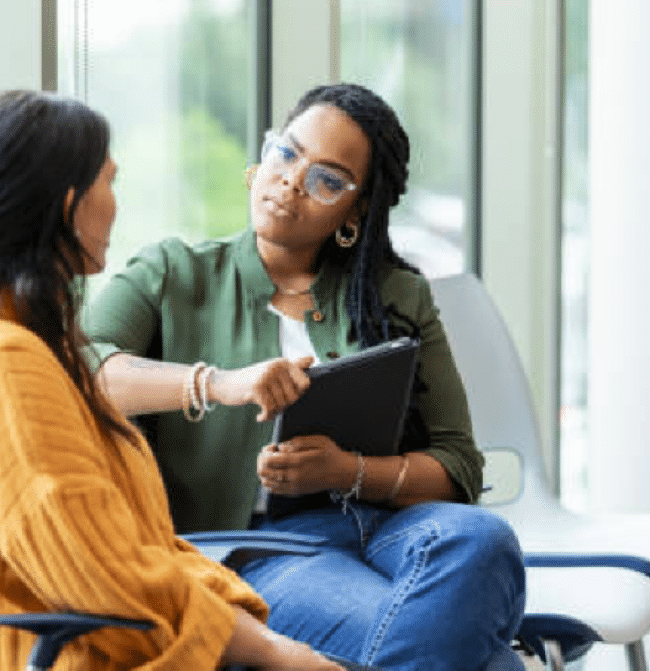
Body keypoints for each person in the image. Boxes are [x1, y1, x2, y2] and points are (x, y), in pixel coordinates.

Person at [0, 89, 350, 671]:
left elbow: (120, 555)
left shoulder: (9, 343)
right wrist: (269, 650)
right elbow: (102, 577)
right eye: (108, 182)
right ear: (69, 204)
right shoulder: (2, 366)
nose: (117, 202)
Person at [83, 83, 526, 671]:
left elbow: (458, 466)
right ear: (261, 158)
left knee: (484, 540)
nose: (292, 181)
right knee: (492, 663)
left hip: (393, 530)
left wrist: (346, 471)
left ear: (357, 210)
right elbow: (80, 370)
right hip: (262, 549)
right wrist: (220, 383)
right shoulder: (174, 274)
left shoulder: (397, 295)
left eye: (328, 180)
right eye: (286, 153)